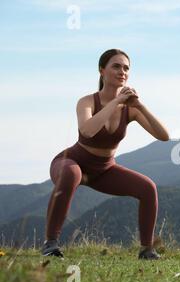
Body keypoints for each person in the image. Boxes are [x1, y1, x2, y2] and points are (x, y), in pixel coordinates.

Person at [43, 49, 170, 260]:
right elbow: (87, 130)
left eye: (126, 68)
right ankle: (51, 243)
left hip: (104, 169)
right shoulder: (87, 102)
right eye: (116, 66)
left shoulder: (131, 109)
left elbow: (164, 136)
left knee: (148, 188)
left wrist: (141, 106)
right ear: (102, 71)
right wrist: (116, 102)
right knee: (71, 175)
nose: (122, 71)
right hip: (72, 161)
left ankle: (147, 250)